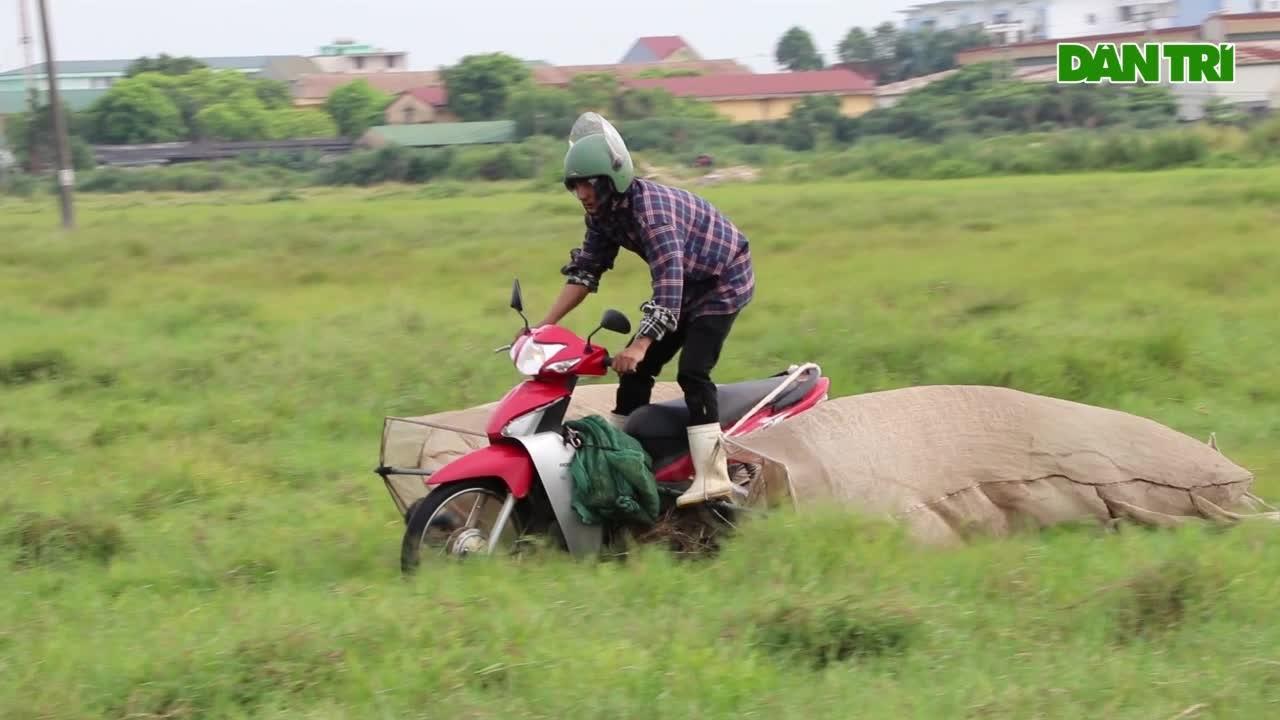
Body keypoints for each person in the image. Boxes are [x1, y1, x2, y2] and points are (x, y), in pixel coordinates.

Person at [532, 113, 755, 507]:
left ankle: (713, 477)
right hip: (685, 284)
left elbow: (669, 281)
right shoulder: (601, 215)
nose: (582, 193)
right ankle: (621, 460)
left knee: (692, 370)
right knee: (637, 373)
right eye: (576, 186)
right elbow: (586, 272)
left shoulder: (651, 214)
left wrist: (639, 344)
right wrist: (543, 326)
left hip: (722, 279)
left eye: (589, 184)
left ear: (611, 181)